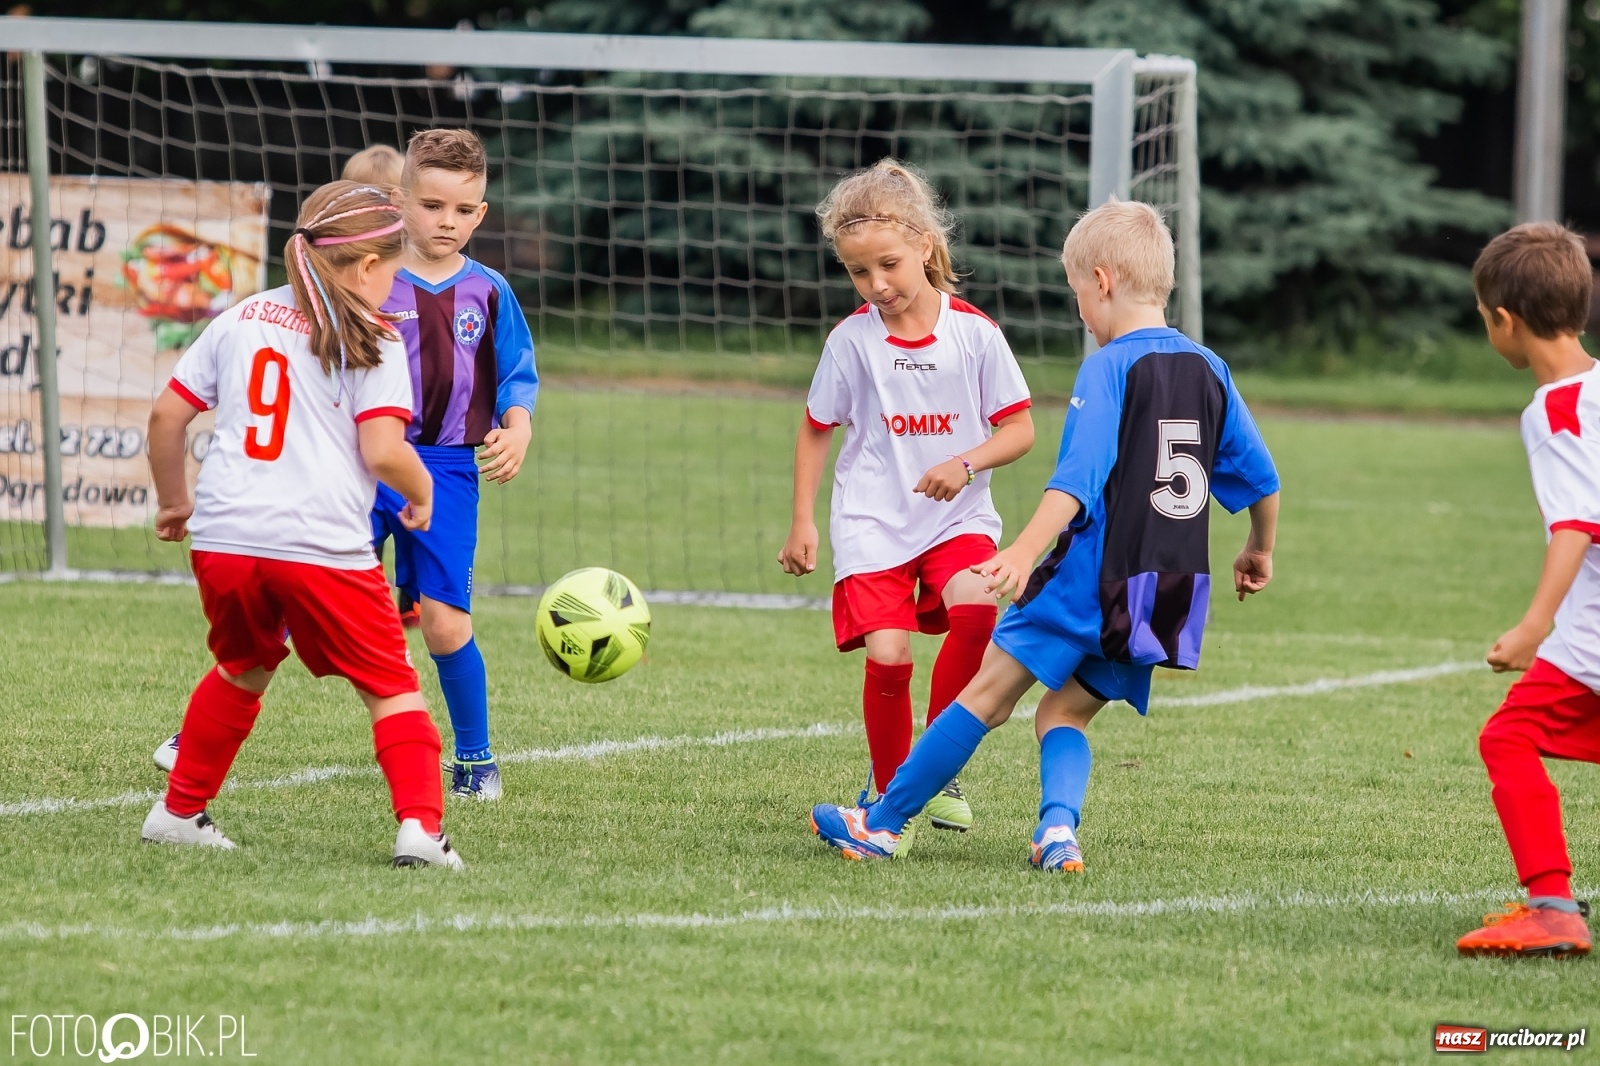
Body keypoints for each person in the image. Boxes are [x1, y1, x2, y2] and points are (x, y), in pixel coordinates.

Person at [809, 198, 1281, 869]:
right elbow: (1263, 481)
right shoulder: (1211, 369)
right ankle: (1058, 832)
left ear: (1103, 282)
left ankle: (881, 824)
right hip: (1168, 592)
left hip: (1091, 578)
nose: (1080, 311)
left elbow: (1077, 482)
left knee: (985, 697)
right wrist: (1258, 549)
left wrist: (1026, 552)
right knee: (1064, 715)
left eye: (1075, 293)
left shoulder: (1110, 367)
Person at [140, 181, 463, 869]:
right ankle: (421, 830)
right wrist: (422, 486)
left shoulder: (242, 316)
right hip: (318, 545)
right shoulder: (373, 338)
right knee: (390, 685)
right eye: (395, 267)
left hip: (224, 540)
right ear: (370, 268)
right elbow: (382, 451)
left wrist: (174, 502)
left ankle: (178, 810)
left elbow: (168, 416)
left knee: (242, 667)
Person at [779, 160, 1035, 839]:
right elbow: (815, 429)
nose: (877, 285)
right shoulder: (851, 342)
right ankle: (891, 798)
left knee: (979, 604)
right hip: (872, 519)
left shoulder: (975, 334)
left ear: (925, 245)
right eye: (859, 272)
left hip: (957, 518)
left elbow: (1020, 429)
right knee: (888, 653)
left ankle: (935, 765)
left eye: (888, 264)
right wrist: (803, 520)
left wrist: (966, 460)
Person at [369, 127, 538, 801]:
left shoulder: (489, 289)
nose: (448, 222)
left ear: (482, 214)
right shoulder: (370, 275)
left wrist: (518, 426)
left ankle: (476, 760)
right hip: (364, 461)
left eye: (464, 211)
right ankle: (199, 733)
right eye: (433, 205)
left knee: (443, 620)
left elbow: (516, 373)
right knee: (304, 590)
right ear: (402, 199)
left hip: (447, 469)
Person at [1456, 222, 1597, 959]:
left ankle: (1551, 906)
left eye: (1484, 320)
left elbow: (1576, 526)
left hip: (1590, 644)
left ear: (1504, 321)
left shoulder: (1554, 412)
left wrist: (1534, 625)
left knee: (1510, 736)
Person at [340, 142, 416, 625]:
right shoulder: (350, 284)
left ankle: (411, 593)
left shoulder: (413, 277)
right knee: (359, 522)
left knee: (413, 517)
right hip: (362, 430)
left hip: (409, 433)